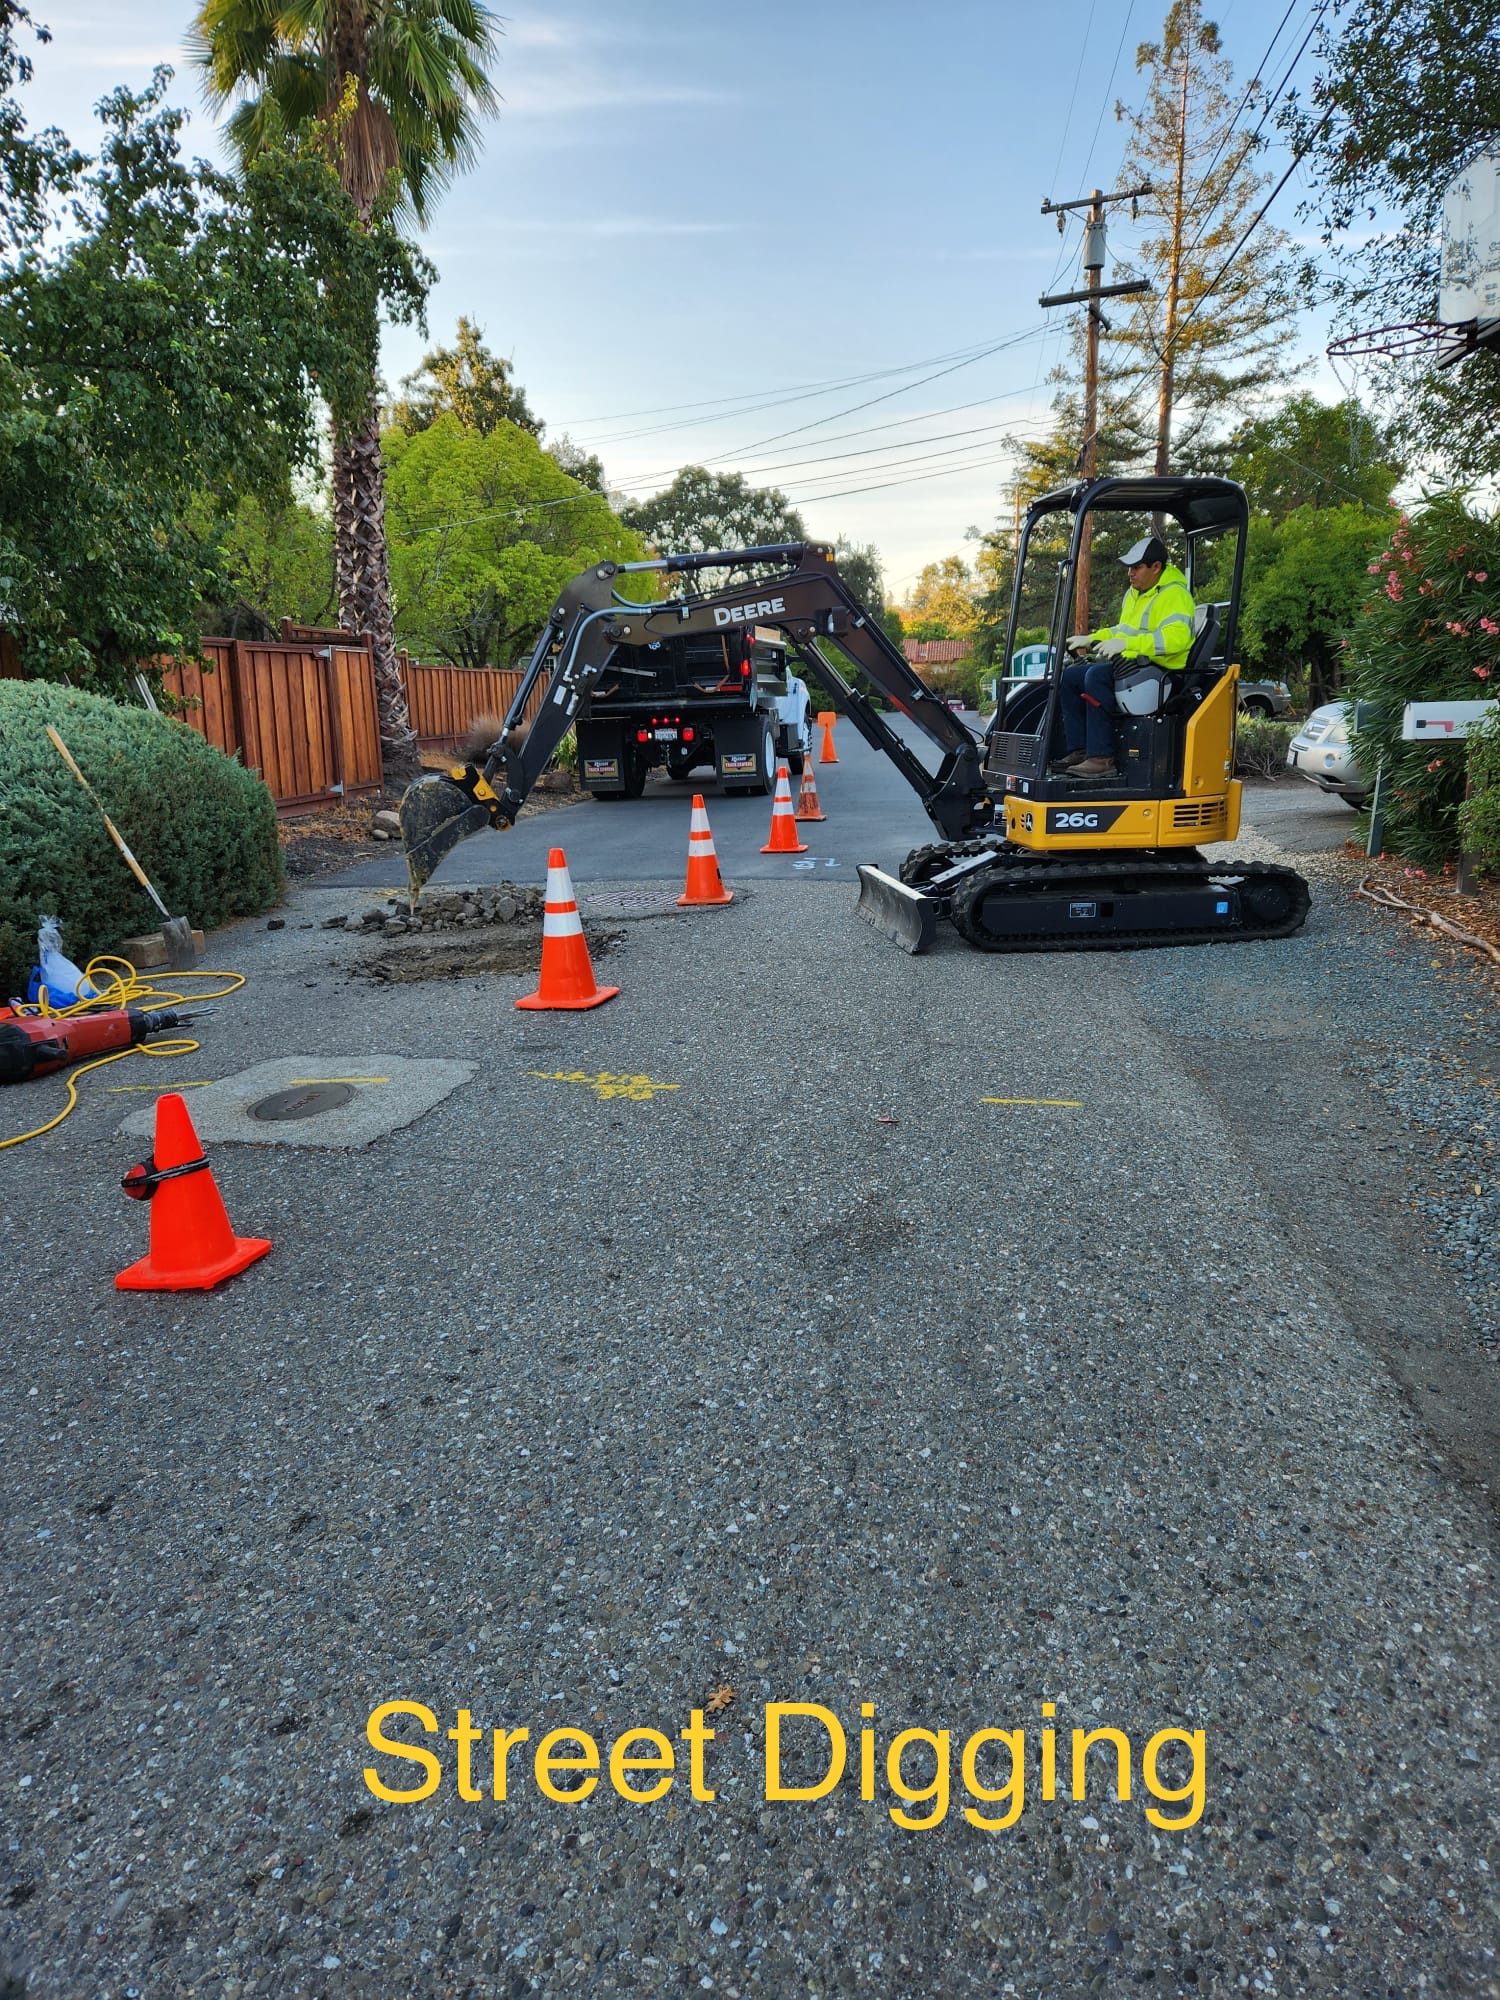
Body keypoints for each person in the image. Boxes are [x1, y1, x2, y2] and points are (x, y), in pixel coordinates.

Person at [1049, 536, 1197, 782]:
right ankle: (1079, 750)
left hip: (1164, 673)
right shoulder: (1135, 594)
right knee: (1071, 677)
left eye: (1136, 567)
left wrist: (1128, 644)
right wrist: (1091, 639)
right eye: (1129, 568)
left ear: (1156, 567)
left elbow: (1176, 640)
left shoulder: (1175, 596)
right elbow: (1123, 630)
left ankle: (1102, 759)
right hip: (1137, 666)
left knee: (1096, 676)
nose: (1130, 573)